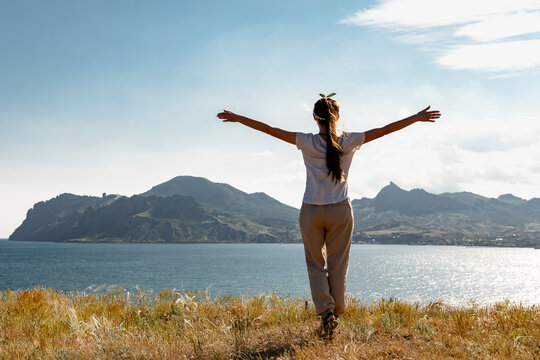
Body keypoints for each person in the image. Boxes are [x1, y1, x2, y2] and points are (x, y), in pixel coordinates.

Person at [217, 93, 441, 337]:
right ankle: (336, 312)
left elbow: (270, 129)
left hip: (311, 211)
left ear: (315, 118)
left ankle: (326, 313)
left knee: (315, 264)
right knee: (338, 265)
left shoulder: (305, 141)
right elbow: (385, 130)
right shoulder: (350, 140)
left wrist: (238, 118)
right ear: (338, 116)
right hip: (340, 211)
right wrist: (416, 117)